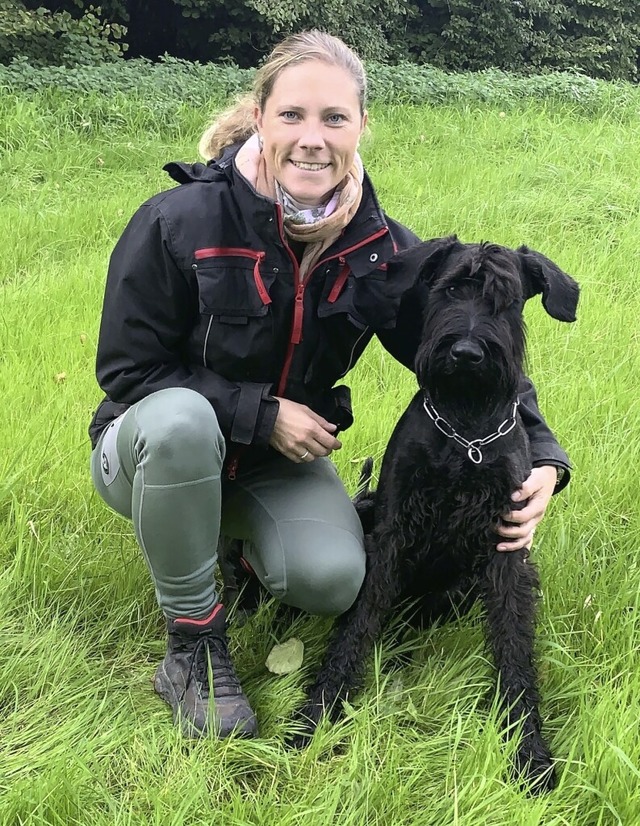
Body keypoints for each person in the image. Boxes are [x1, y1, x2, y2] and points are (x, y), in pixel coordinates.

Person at [88, 30, 570, 740]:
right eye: (293, 115)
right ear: (261, 117)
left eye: (334, 118)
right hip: (149, 450)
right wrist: (262, 411)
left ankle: (241, 550)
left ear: (361, 127)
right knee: (184, 423)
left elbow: (461, 353)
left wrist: (546, 460)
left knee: (333, 578)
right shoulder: (177, 220)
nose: (313, 139)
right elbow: (127, 373)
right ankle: (194, 644)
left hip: (271, 467)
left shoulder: (385, 256)